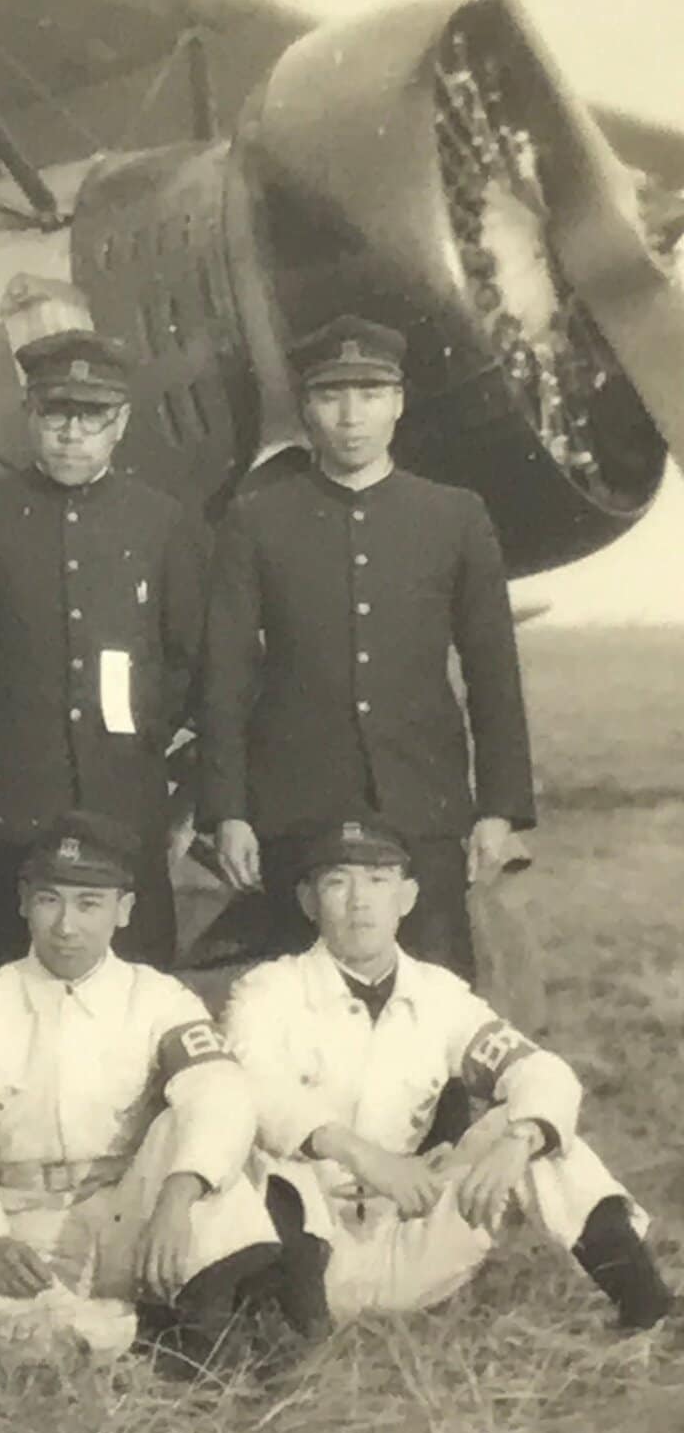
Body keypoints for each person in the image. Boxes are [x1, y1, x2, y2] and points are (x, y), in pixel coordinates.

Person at [222, 816, 672, 1334]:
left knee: (536, 1127)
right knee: (277, 1164)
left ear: (407, 897)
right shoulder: (266, 990)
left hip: (406, 1230)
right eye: (337, 882)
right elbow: (254, 1089)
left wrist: (519, 1141)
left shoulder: (438, 993)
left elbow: (539, 1068)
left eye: (378, 881)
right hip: (305, 1248)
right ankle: (293, 1345)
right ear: (308, 901)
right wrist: (365, 1157)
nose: (359, 901)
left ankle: (648, 1311)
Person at [199, 313, 534, 977]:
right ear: (304, 406)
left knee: (435, 1002)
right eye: (330, 396)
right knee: (298, 1013)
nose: (351, 416)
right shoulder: (257, 520)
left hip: (422, 803)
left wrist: (499, 807)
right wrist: (227, 812)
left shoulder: (454, 516)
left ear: (399, 403)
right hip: (297, 806)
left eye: (371, 395)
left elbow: (493, 670)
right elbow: (225, 676)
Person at [0, 811, 278, 1367]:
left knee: (207, 1164)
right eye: (50, 900)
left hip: (125, 1213)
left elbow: (220, 1090)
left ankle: (203, 1353)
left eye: (89, 904)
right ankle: (132, 1339)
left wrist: (177, 1199)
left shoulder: (159, 998)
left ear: (124, 910)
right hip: (22, 1226)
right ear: (24, 902)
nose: (67, 925)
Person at [0, 329, 203, 1001]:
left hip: (122, 810)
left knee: (136, 1001)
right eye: (56, 414)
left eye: (92, 416)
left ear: (122, 422)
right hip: (10, 814)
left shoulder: (165, 526)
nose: (72, 434)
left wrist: (136, 748)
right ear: (30, 415)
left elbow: (185, 659)